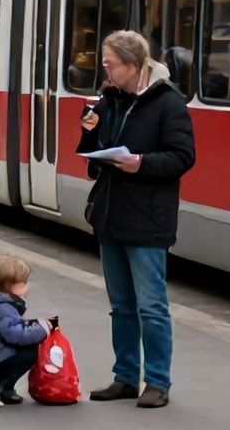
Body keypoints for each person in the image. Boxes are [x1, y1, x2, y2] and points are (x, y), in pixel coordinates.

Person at [75, 30, 195, 409]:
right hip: (111, 215)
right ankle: (125, 376)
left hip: (147, 218)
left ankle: (157, 381)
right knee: (121, 306)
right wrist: (90, 133)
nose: (105, 70)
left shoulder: (168, 102)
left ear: (131, 64)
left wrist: (140, 163)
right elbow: (95, 156)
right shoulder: (110, 100)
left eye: (110, 64)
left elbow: (182, 156)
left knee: (151, 307)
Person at [0, 254, 51, 407]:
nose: (27, 285)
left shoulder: (2, 304)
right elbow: (16, 335)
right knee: (28, 354)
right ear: (10, 285)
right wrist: (43, 328)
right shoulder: (3, 309)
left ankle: (5, 388)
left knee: (27, 349)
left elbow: (14, 327)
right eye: (24, 282)